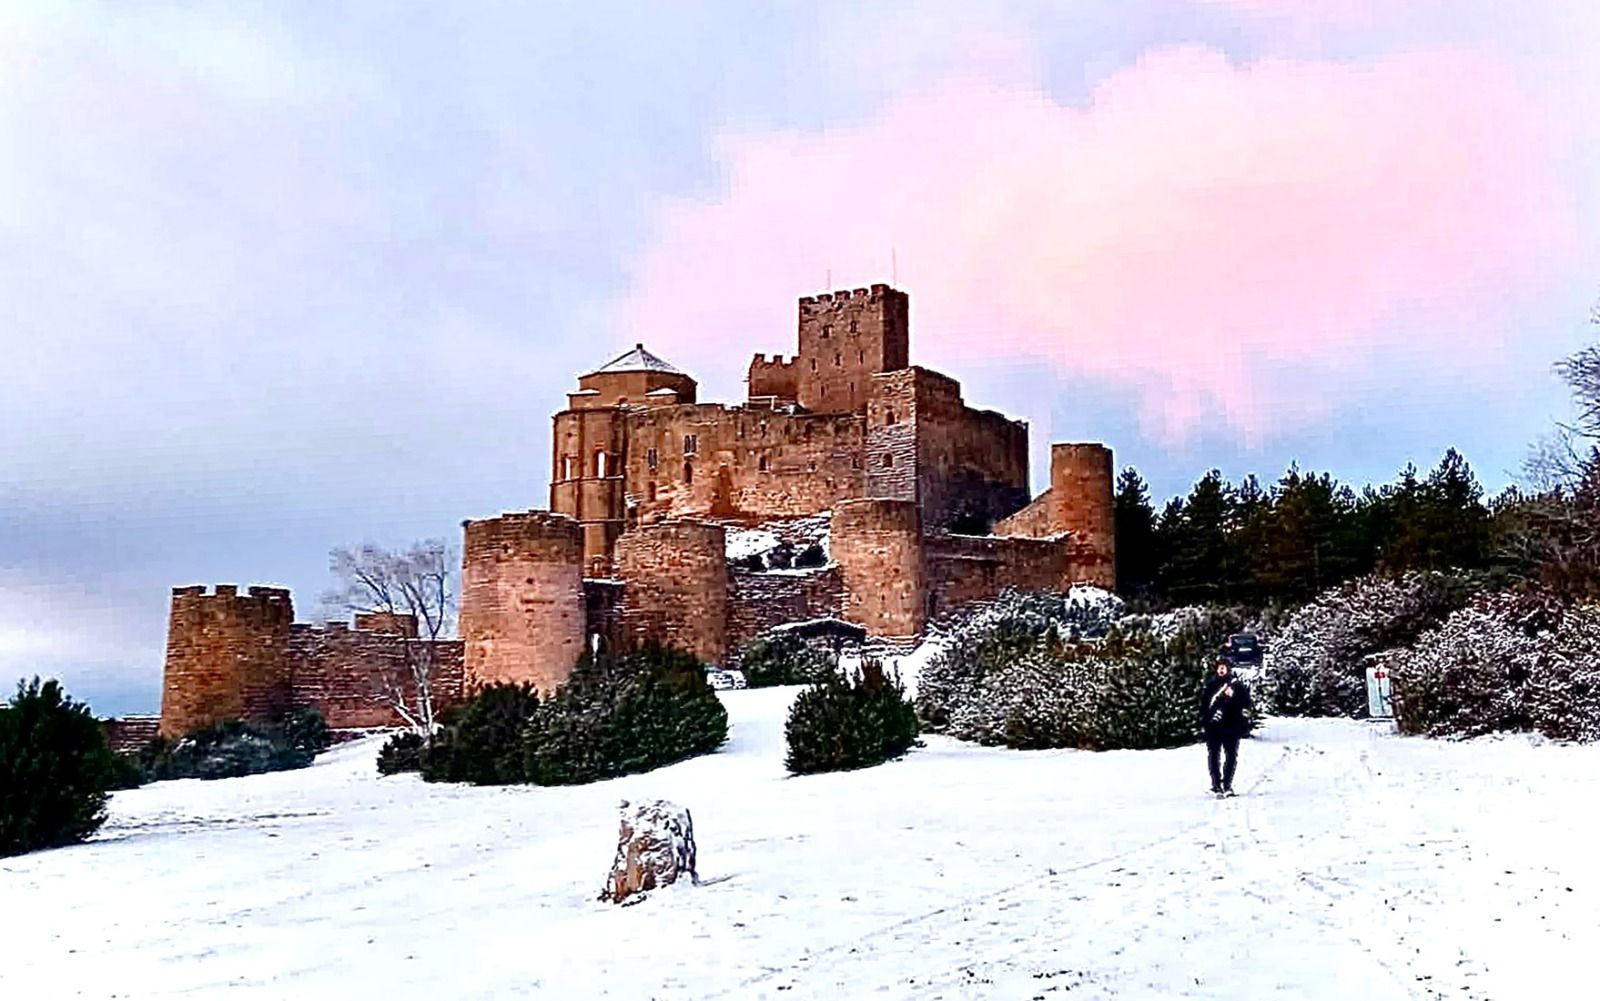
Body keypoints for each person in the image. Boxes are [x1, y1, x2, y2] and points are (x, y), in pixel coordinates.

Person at [1201, 658, 1252, 797]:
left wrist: (1233, 697)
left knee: (1231, 757)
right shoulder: (1211, 686)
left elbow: (1246, 705)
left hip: (1231, 727)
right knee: (1213, 756)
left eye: (1224, 667)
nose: (1222, 670)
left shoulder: (1237, 686)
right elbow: (1204, 706)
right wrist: (1206, 722)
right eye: (1219, 667)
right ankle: (1216, 785)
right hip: (1214, 728)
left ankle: (1227, 784)